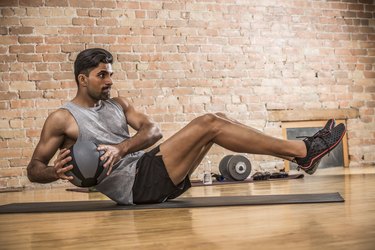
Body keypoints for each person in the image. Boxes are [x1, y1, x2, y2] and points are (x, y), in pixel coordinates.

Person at [27, 48, 347, 205]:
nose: (109, 80)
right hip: (134, 188)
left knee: (217, 119)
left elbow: (152, 132)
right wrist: (54, 172)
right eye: (102, 75)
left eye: (110, 73)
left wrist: (122, 147)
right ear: (82, 79)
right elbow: (33, 169)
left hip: (146, 171)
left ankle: (302, 153)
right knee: (209, 123)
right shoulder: (62, 119)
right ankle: (303, 151)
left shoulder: (119, 104)